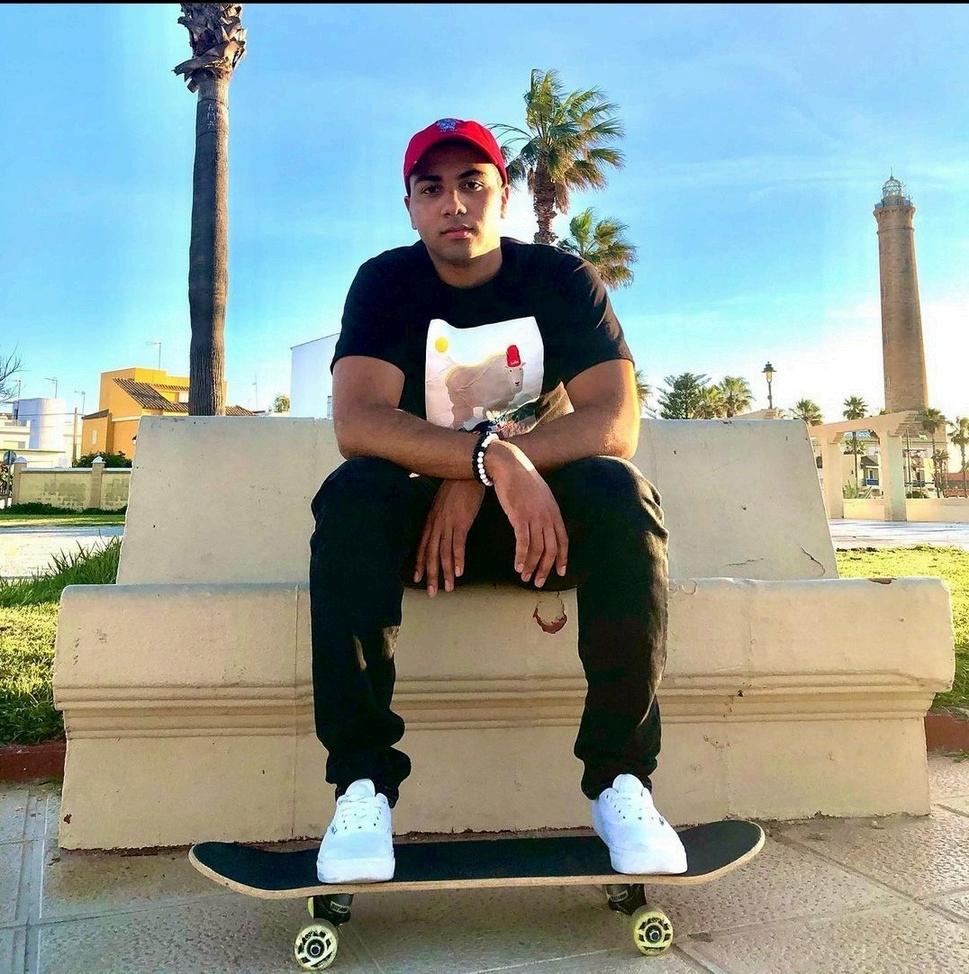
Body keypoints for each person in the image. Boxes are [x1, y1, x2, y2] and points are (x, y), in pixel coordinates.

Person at [310, 117, 687, 884]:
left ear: (503, 195)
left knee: (619, 492)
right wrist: (488, 459)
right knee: (353, 494)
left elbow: (614, 422)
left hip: (537, 531)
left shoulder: (560, 279)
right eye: (431, 188)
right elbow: (358, 423)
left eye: (472, 183)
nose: (453, 203)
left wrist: (486, 471)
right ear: (410, 208)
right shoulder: (386, 283)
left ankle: (620, 780)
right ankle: (361, 787)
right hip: (423, 541)